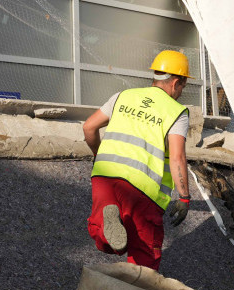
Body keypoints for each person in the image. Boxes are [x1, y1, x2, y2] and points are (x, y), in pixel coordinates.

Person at [83, 49, 193, 271]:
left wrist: (98, 155)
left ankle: (107, 225)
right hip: (142, 189)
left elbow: (89, 127)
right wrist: (184, 197)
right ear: (175, 82)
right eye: (183, 86)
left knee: (103, 235)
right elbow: (177, 158)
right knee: (144, 257)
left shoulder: (123, 96)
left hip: (104, 177)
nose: (181, 92)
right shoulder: (176, 111)